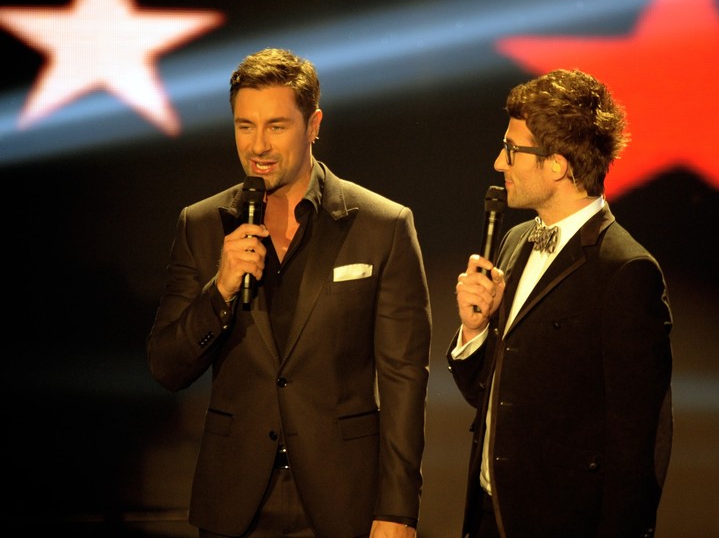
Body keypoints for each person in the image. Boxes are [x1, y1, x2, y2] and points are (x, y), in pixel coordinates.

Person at [146, 48, 432, 538]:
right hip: (234, 501)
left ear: (314, 124)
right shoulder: (201, 224)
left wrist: (399, 508)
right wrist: (221, 288)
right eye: (244, 125)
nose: (258, 145)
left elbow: (405, 379)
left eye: (276, 126)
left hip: (344, 500)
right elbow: (166, 366)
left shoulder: (383, 225)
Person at [448, 69, 673, 538]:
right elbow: (497, 397)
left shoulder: (625, 271)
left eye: (512, 149)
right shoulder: (515, 242)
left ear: (556, 165)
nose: (498, 162)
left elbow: (638, 445)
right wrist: (473, 333)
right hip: (490, 517)